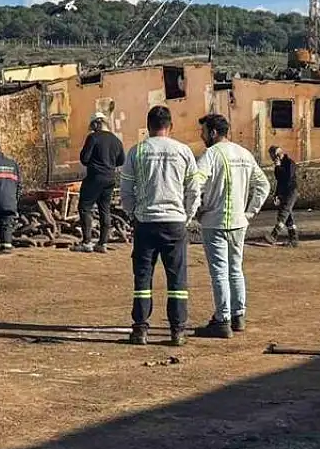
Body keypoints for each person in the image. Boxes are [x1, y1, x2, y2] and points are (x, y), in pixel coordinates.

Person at [120, 105, 202, 347]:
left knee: (142, 278)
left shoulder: (137, 151)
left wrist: (133, 214)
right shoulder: (183, 151)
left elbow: (126, 191)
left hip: (146, 223)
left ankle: (140, 329)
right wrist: (187, 216)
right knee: (177, 279)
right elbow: (194, 190)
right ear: (170, 126)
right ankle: (177, 331)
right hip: (175, 223)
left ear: (148, 126)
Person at [192, 114, 270, 339]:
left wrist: (196, 209)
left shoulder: (211, 154)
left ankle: (222, 319)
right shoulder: (244, 153)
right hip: (238, 222)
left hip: (215, 221)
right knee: (235, 269)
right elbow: (263, 185)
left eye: (204, 132)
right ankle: (238, 315)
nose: (202, 136)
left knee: (219, 271)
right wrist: (249, 212)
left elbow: (196, 183)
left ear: (213, 132)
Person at [72, 112, 125, 253]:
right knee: (105, 209)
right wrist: (109, 164)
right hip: (110, 178)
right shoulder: (116, 140)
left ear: (97, 123)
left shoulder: (93, 138)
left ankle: (87, 242)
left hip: (95, 177)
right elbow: (121, 160)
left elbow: (84, 159)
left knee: (85, 207)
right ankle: (102, 243)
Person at [263, 145, 299, 247]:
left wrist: (278, 167)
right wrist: (276, 194)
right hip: (284, 192)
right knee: (288, 217)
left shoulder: (289, 163)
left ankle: (274, 235)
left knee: (284, 212)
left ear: (277, 155)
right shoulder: (279, 165)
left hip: (291, 191)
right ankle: (293, 240)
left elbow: (288, 178)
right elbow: (279, 181)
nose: (272, 159)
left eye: (272, 156)